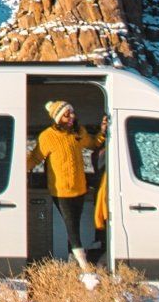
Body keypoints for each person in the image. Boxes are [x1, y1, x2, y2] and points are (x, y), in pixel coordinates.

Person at [33, 100, 106, 268]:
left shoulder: (78, 133)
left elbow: (93, 143)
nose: (72, 117)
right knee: (72, 227)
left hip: (80, 189)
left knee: (73, 226)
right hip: (61, 191)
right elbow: (36, 157)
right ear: (58, 118)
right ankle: (84, 267)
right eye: (67, 114)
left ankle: (72, 263)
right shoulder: (47, 136)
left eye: (72, 113)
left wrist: (102, 132)